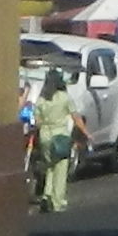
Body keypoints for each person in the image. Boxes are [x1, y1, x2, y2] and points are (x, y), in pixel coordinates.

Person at [33, 61, 82, 214]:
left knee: (49, 167)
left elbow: (38, 121)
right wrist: (87, 134)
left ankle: (46, 195)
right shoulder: (64, 98)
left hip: (45, 136)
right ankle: (58, 201)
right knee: (60, 169)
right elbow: (76, 118)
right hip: (60, 135)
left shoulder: (41, 100)